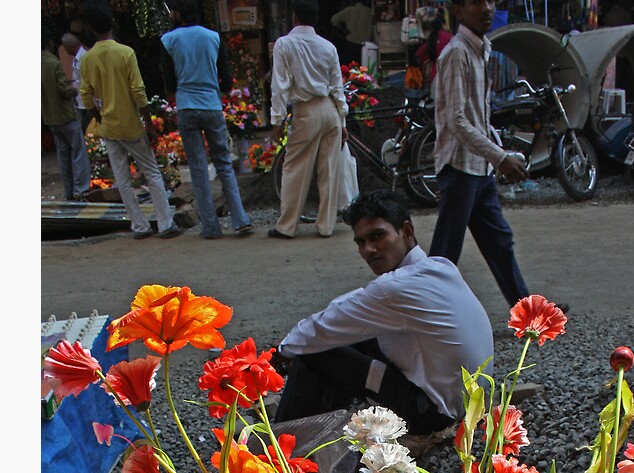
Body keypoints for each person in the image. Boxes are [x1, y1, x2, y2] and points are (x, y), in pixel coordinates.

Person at [272, 189, 494, 448]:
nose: (369, 249)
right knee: (343, 336)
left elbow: (322, 326)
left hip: (429, 415)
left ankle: (280, 446)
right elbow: (347, 310)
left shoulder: (393, 289)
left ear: (407, 231)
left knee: (314, 351)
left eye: (378, 236)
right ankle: (323, 425)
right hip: (466, 406)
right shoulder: (439, 266)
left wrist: (281, 353)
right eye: (361, 242)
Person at [428, 0, 534, 312]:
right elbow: (457, 121)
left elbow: (478, 117)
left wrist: (498, 154)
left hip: (479, 166)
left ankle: (529, 315)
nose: (486, 8)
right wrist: (500, 157)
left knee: (499, 242)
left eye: (490, 1)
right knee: (445, 254)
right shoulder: (457, 53)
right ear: (458, 10)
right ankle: (422, 317)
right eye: (476, 2)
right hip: (460, 166)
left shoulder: (481, 49)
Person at [79, 1, 182, 239]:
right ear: (113, 22)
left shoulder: (88, 59)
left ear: (91, 28)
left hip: (108, 127)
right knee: (151, 172)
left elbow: (85, 96)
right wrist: (149, 123)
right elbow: (138, 91)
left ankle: (140, 226)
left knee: (122, 179)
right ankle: (165, 224)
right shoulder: (125, 53)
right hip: (131, 125)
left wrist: (99, 116)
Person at [159, 0, 254, 239]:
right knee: (224, 163)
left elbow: (170, 83)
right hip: (211, 105)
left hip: (187, 107)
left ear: (178, 14)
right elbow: (227, 80)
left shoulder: (168, 40)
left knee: (198, 167)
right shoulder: (214, 37)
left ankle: (211, 227)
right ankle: (240, 219)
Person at [268, 0, 348, 239]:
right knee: (329, 170)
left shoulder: (284, 44)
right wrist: (343, 120)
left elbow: (280, 86)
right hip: (330, 111)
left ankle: (287, 226)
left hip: (306, 112)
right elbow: (338, 87)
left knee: (295, 168)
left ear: (294, 17)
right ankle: (326, 226)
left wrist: (277, 120)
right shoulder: (328, 46)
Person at [41, 26, 91, 202]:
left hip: (50, 117)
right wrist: (74, 90)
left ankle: (69, 191)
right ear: (49, 43)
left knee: (63, 155)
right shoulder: (53, 63)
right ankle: (81, 189)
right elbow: (64, 89)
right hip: (65, 115)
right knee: (78, 152)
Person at [415, 9, 452, 88]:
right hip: (448, 73)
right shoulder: (449, 37)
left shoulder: (432, 38)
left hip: (434, 75)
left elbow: (419, 53)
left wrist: (428, 60)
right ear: (442, 25)